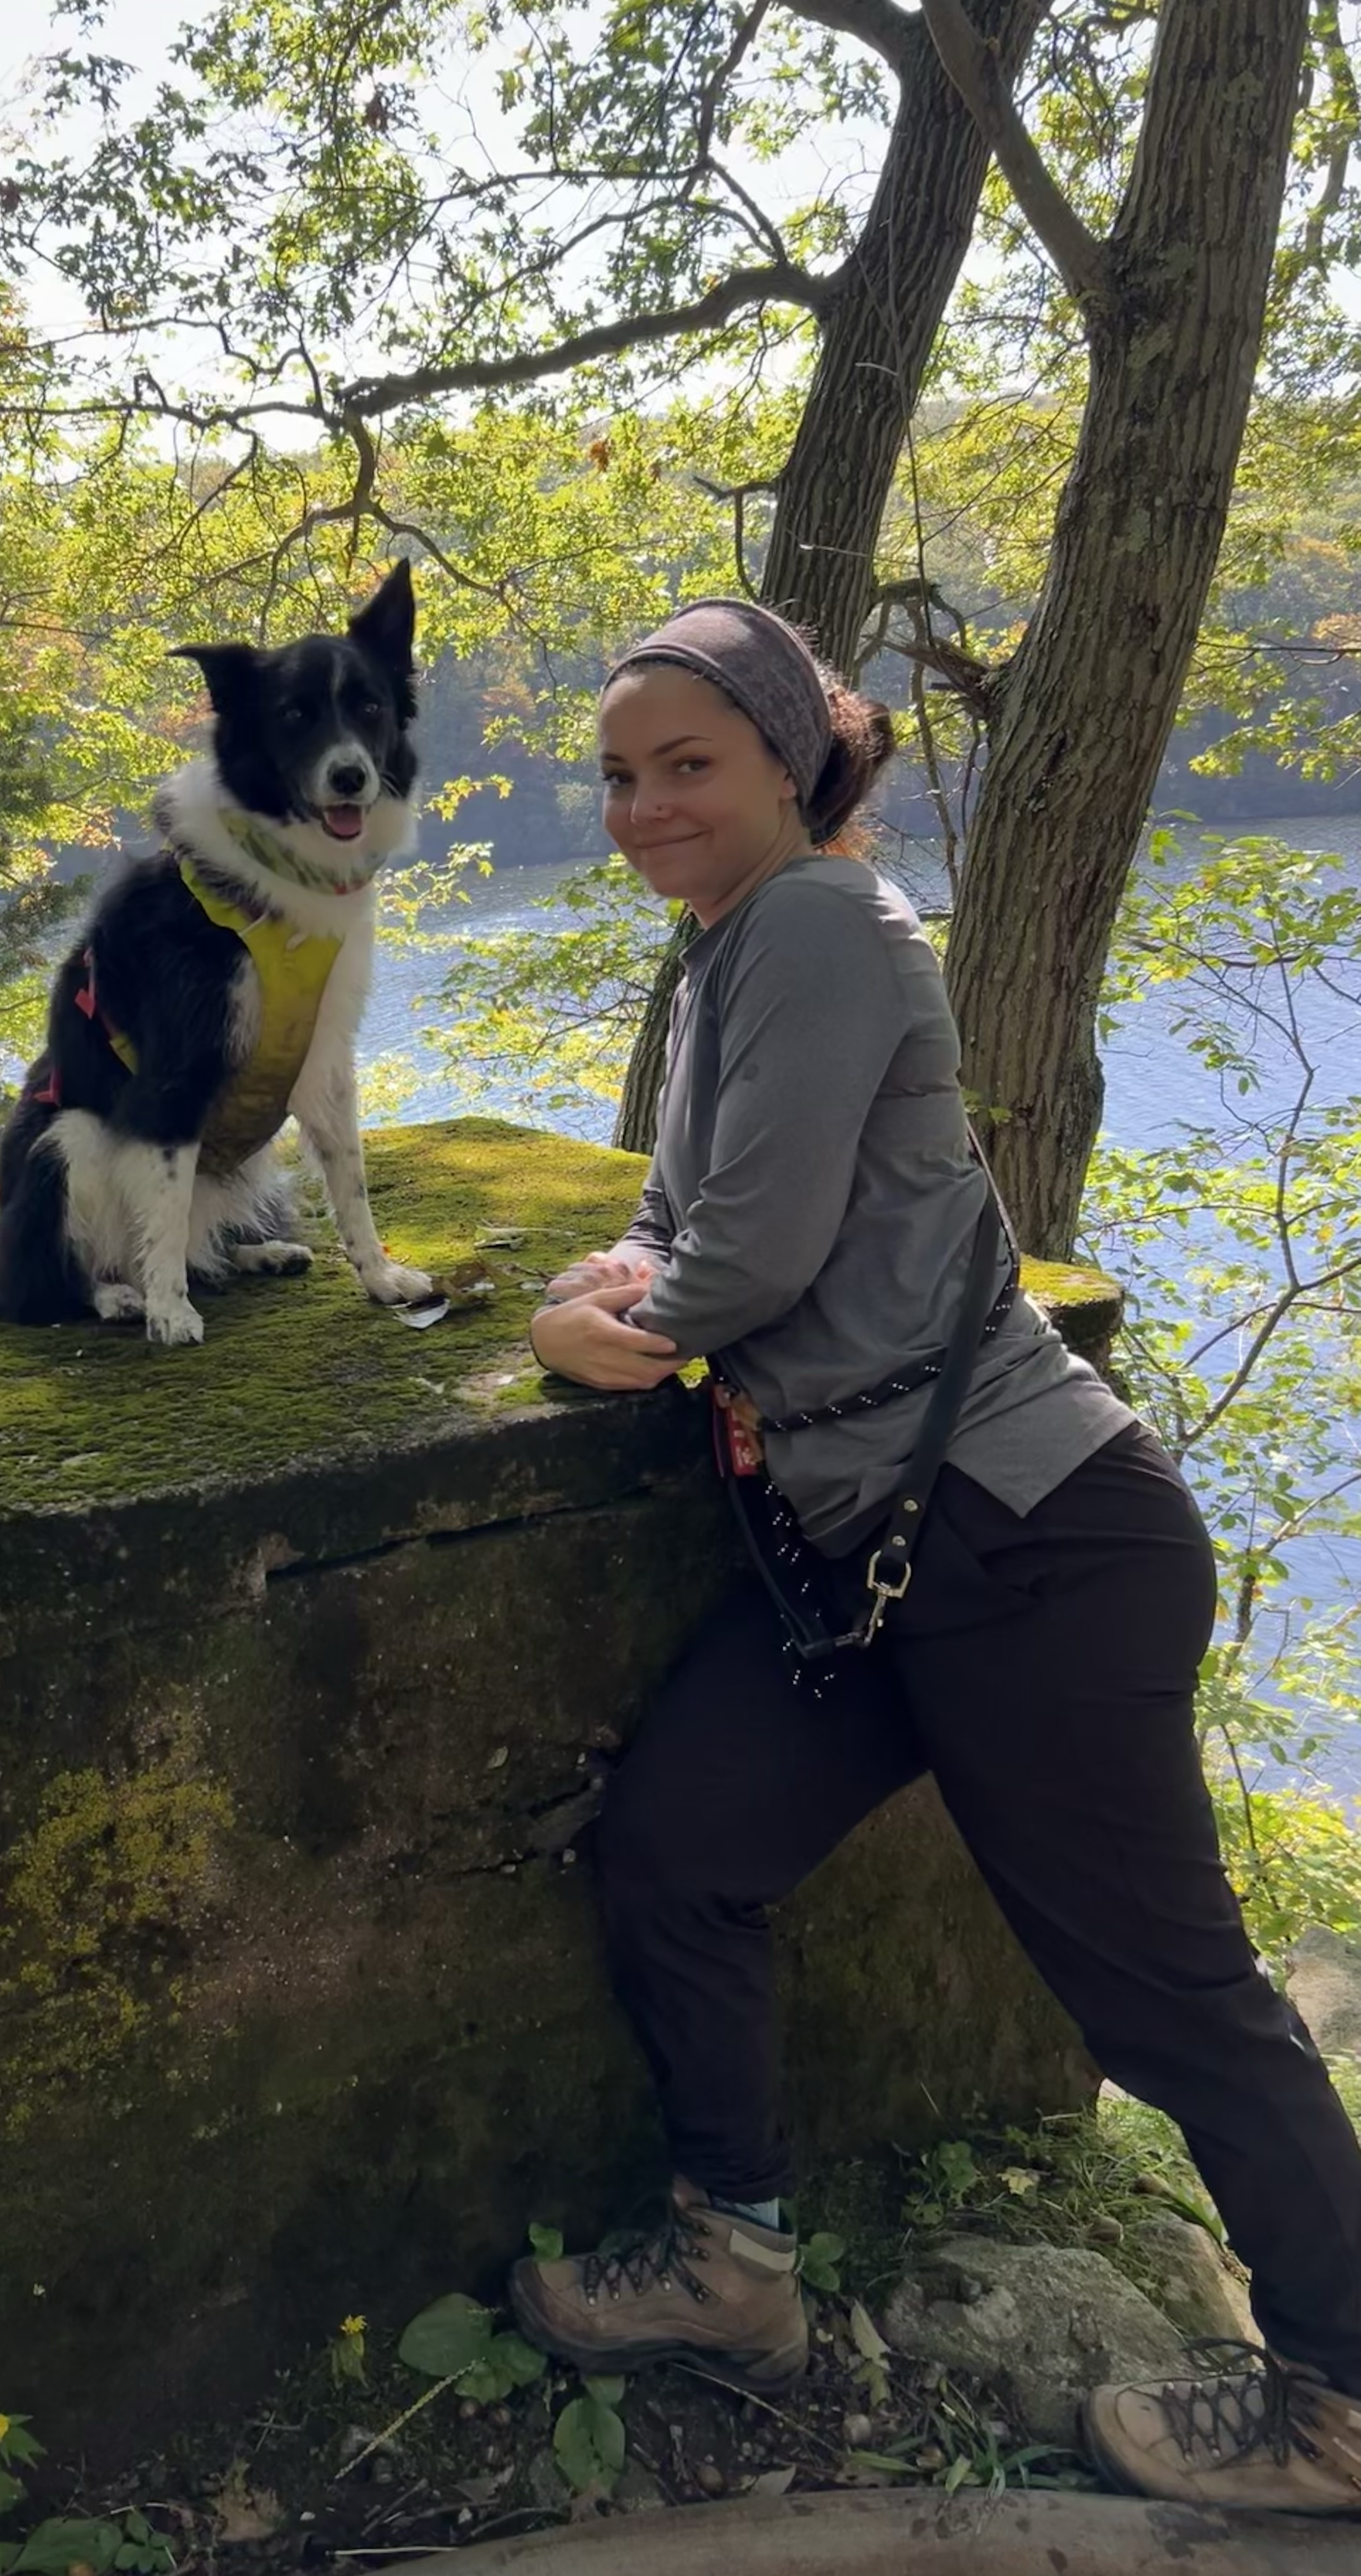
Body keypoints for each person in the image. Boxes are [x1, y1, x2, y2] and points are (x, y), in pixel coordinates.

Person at [507, 598, 1361, 2515]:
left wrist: (570, 1326)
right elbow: (667, 1214)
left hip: (1024, 1541)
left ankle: (1339, 2395)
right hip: (886, 1567)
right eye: (619, 777)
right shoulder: (731, 954)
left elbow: (730, 1265)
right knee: (676, 1849)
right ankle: (732, 2267)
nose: (643, 808)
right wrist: (630, 1271)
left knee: (1164, 1999)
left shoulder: (809, 918)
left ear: (793, 761)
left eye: (685, 765)